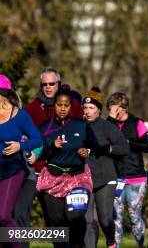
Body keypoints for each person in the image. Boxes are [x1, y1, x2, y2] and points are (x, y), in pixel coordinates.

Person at [15, 67, 83, 233]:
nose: (48, 87)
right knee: (48, 218)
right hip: (38, 172)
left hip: (69, 171)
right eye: (44, 84)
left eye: (51, 83)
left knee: (70, 217)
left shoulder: (73, 106)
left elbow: (85, 133)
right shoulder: (32, 109)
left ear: (58, 84)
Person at [37, 85, 97, 248]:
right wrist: (52, 147)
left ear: (71, 106)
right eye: (59, 105)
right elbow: (38, 155)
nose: (62, 109)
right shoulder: (44, 128)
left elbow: (95, 146)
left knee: (74, 215)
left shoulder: (81, 126)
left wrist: (88, 150)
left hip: (77, 178)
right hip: (52, 178)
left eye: (66, 105)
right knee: (56, 221)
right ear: (54, 105)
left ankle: (79, 244)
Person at [106, 92, 148, 248]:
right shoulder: (108, 124)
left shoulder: (137, 123)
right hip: (116, 178)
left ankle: (140, 244)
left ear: (122, 108)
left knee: (135, 217)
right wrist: (111, 120)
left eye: (112, 109)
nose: (110, 112)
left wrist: (128, 143)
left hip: (136, 179)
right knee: (116, 218)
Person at [83, 87, 130, 248]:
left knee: (104, 219)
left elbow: (124, 148)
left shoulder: (107, 127)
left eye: (91, 108)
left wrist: (108, 149)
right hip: (85, 179)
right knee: (88, 221)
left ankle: (111, 241)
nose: (88, 111)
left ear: (99, 110)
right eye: (85, 108)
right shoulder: (78, 126)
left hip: (106, 178)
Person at [0, 74, 42, 248]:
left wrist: (20, 146)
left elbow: (37, 139)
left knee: (3, 216)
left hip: (13, 168)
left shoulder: (19, 115)